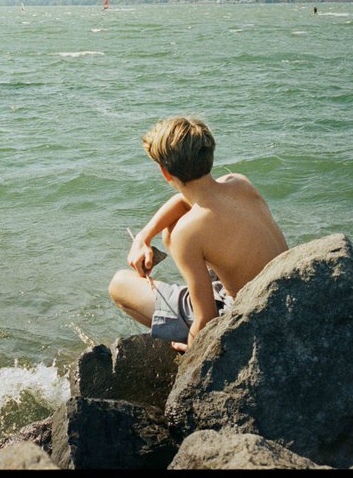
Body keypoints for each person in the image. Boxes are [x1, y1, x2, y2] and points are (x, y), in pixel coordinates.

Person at [109, 117, 288, 352]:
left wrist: (195, 354)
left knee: (119, 285)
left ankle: (182, 326)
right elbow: (185, 201)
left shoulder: (189, 231)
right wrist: (144, 237)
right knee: (172, 229)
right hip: (282, 296)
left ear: (165, 172)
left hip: (245, 316)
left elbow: (206, 319)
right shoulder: (239, 183)